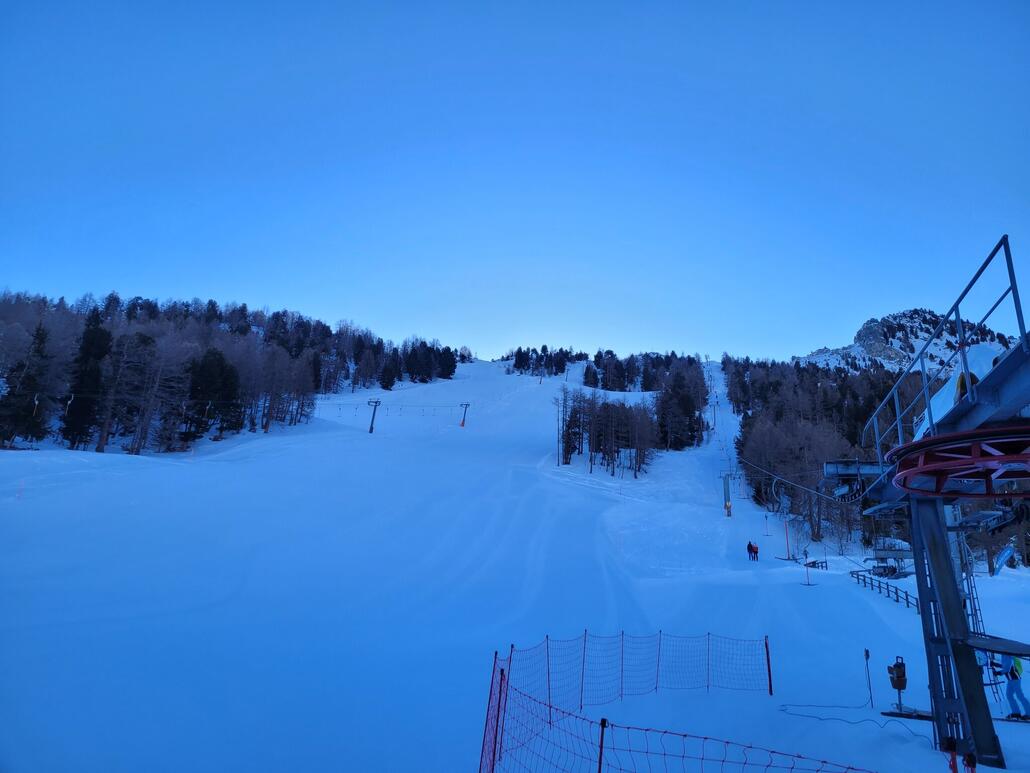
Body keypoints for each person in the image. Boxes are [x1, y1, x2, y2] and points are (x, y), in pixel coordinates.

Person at [993, 654, 1030, 719]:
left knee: (1020, 696)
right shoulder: (1004, 655)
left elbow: (1007, 668)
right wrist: (995, 664)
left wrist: (998, 673)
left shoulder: (1007, 655)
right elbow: (1005, 666)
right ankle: (1016, 712)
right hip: (1010, 679)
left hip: (1015, 678)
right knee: (1009, 695)